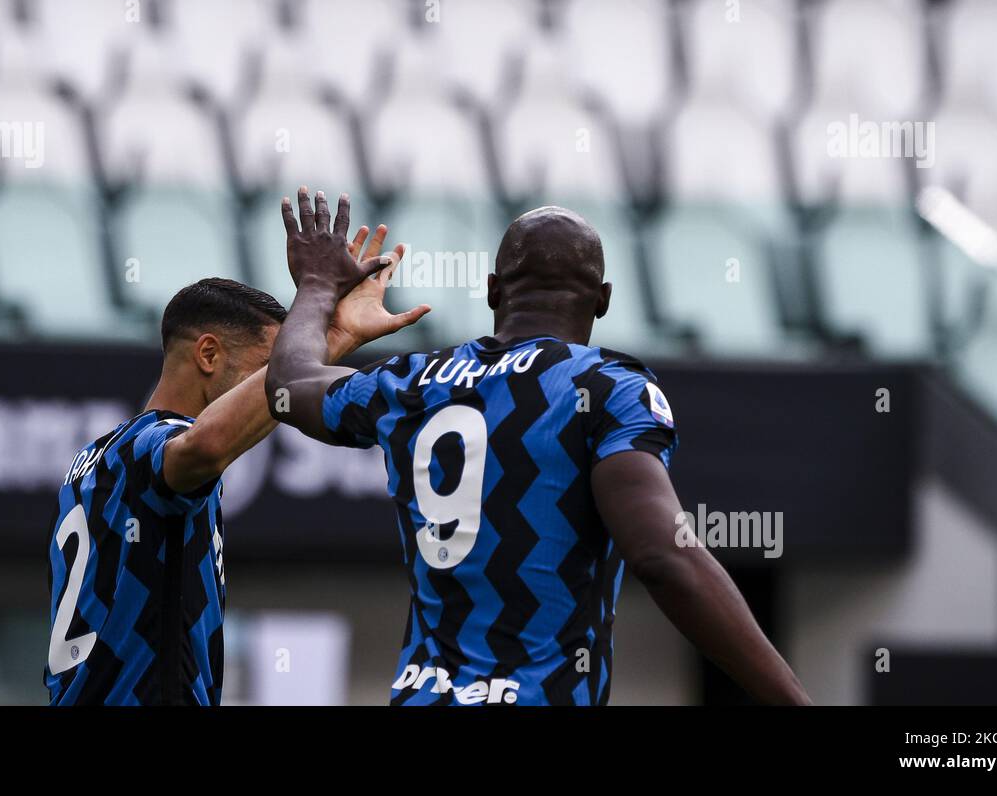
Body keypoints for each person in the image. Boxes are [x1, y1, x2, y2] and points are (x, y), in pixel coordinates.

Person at [265, 188, 810, 705]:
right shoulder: (605, 388)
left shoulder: (411, 380)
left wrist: (316, 286)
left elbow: (287, 387)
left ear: (493, 290)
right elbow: (662, 556)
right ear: (603, 300)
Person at [45, 222, 426, 705]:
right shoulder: (155, 447)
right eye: (270, 364)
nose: (281, 380)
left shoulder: (94, 458)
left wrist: (328, 342)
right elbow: (204, 446)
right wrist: (321, 321)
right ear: (208, 354)